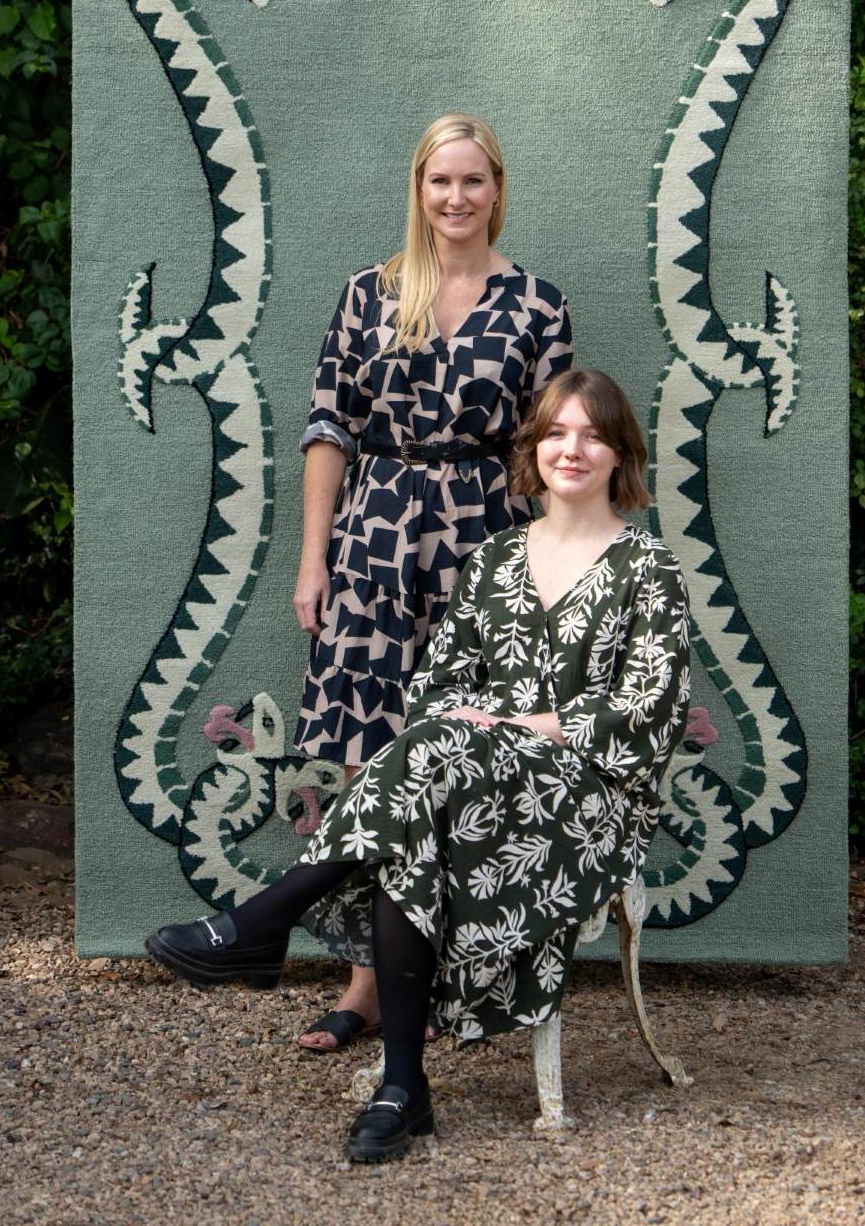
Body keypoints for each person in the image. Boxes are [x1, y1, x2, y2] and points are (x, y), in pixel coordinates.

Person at [146, 368, 692, 1163]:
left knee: (430, 770)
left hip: (585, 799)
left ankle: (267, 924)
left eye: (592, 435)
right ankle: (401, 1087)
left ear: (620, 455)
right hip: (463, 781)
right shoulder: (497, 559)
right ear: (533, 448)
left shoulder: (649, 569)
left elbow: (650, 709)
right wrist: (476, 730)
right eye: (555, 433)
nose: (571, 449)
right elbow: (438, 685)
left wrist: (522, 724)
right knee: (423, 807)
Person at [290, 114, 572, 1050]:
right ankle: (367, 986)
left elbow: (552, 451)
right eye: (439, 182)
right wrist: (312, 558)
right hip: (374, 542)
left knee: (460, 759)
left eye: (473, 182)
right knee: (372, 764)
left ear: (498, 190)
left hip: (486, 544)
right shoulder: (370, 296)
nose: (456, 198)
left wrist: (546, 576)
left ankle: (455, 982)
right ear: (419, 190)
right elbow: (330, 427)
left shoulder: (537, 306)